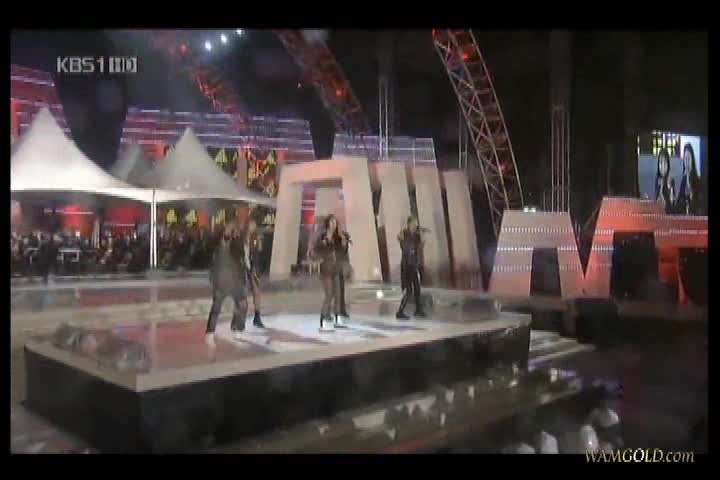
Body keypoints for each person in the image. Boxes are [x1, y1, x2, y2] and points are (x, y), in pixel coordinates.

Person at [205, 224, 249, 348]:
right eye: (229, 229)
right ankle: (210, 333)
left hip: (235, 281)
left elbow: (242, 262)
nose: (232, 231)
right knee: (216, 308)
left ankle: (237, 328)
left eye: (234, 230)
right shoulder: (217, 244)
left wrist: (243, 279)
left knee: (243, 305)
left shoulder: (237, 244)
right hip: (221, 281)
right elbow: (212, 258)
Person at [314, 215, 349, 332]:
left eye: (335, 222)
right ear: (328, 223)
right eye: (332, 221)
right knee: (329, 294)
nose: (334, 224)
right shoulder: (322, 236)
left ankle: (338, 318)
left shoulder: (338, 237)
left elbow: (342, 253)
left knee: (338, 294)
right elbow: (317, 250)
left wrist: (344, 242)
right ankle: (324, 319)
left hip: (336, 268)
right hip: (326, 269)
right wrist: (323, 244)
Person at [396, 216, 427, 320]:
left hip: (413, 264)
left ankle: (418, 310)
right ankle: (400, 312)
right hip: (407, 266)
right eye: (413, 224)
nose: (415, 226)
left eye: (416, 224)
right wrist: (401, 238)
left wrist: (422, 237)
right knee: (409, 290)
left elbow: (419, 248)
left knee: (417, 288)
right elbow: (404, 247)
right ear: (409, 224)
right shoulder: (404, 234)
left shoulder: (416, 236)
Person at [242, 218, 265, 328]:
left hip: (253, 267)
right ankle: (240, 317)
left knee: (256, 292)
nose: (253, 227)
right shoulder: (241, 237)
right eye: (252, 225)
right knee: (243, 293)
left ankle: (257, 317)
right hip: (243, 268)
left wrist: (259, 242)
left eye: (254, 225)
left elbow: (259, 250)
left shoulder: (256, 237)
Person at [675, 143, 700, 215]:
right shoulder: (683, 180)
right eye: (685, 158)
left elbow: (698, 204)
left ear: (692, 160)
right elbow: (678, 205)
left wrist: (689, 186)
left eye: (689, 158)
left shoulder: (698, 180)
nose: (687, 161)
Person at [654, 148, 674, 214]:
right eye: (661, 162)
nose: (662, 166)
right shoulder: (657, 179)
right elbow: (656, 200)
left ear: (668, 164)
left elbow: (671, 203)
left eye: (665, 163)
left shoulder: (670, 180)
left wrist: (670, 188)